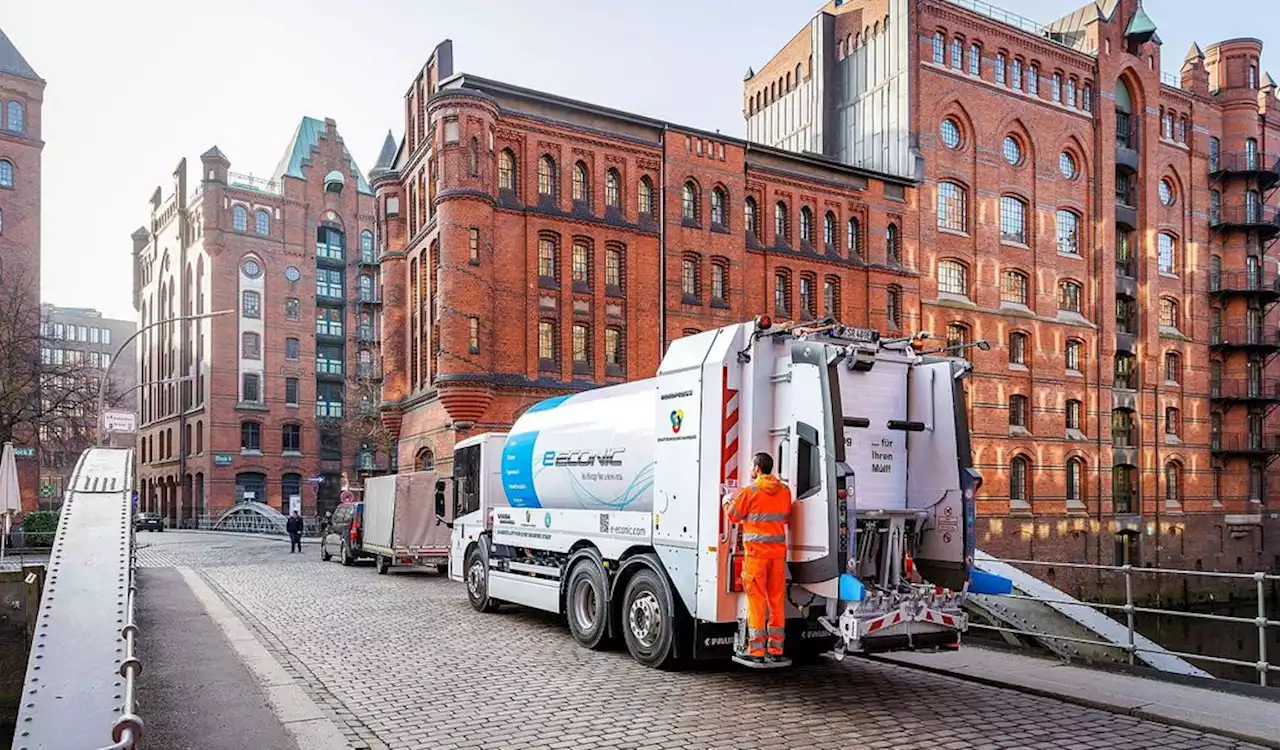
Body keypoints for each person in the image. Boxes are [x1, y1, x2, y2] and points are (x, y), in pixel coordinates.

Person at [725, 452, 794, 664]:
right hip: (778, 555)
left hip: (756, 556)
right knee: (776, 601)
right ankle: (776, 649)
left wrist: (726, 502)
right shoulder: (784, 490)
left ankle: (756, 651)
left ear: (756, 468)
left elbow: (733, 516)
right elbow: (785, 515)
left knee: (756, 601)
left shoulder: (750, 491)